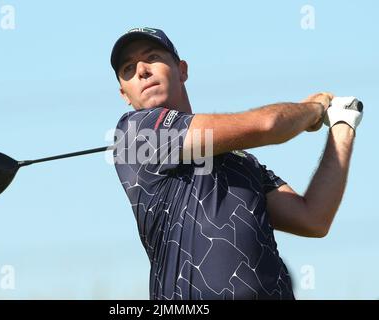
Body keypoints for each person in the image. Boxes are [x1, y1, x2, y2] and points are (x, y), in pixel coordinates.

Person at [109, 27, 363, 300]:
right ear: (125, 93)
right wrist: (315, 108)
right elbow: (268, 125)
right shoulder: (136, 132)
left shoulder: (240, 160)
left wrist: (342, 125)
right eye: (128, 68)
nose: (142, 70)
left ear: (182, 70)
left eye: (153, 57)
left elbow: (313, 218)